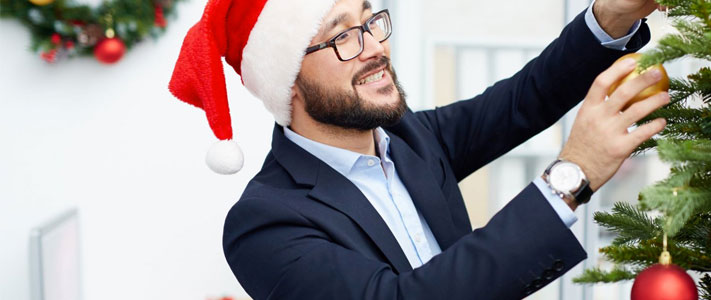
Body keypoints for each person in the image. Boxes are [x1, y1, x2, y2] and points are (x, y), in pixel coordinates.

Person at [168, 0, 667, 298]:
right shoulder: (264, 224)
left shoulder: (411, 138)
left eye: (369, 21)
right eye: (342, 36)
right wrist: (571, 175)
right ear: (287, 81)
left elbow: (525, 99)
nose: (373, 46)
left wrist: (608, 17)